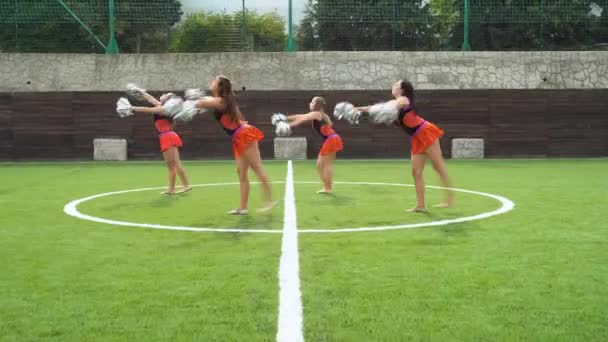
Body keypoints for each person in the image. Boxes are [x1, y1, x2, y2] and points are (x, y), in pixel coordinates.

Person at [287, 96, 343, 194]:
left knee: (320, 165)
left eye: (312, 102)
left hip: (330, 139)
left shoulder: (316, 114)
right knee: (327, 164)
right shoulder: (322, 114)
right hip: (334, 137)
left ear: (317, 105)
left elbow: (302, 118)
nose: (310, 104)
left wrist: (288, 125)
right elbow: (302, 116)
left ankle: (327, 188)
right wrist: (285, 118)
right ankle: (328, 188)